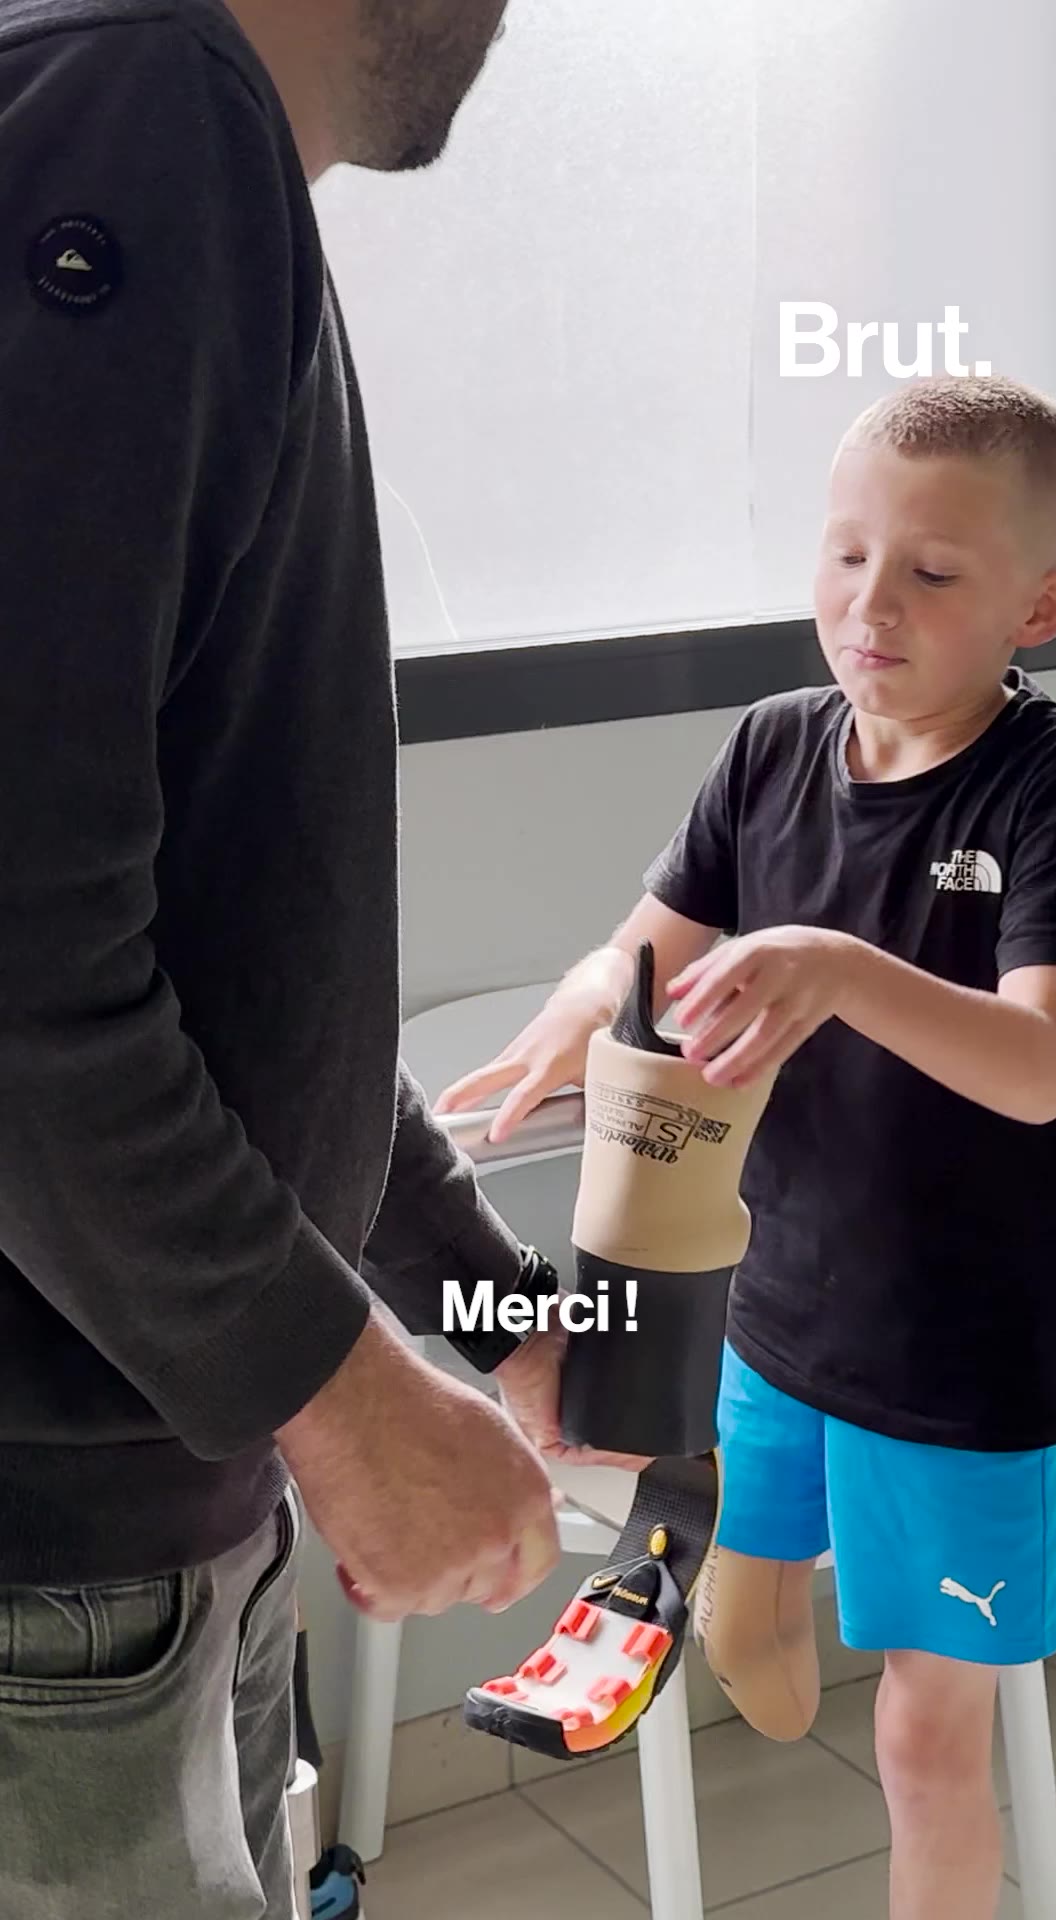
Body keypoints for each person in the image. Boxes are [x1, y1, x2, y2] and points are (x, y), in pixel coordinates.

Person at [0, 2, 629, 1914]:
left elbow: (245, 982)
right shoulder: (144, 111)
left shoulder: (166, 139)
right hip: (57, 1581)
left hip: (157, 1531)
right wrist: (346, 1393)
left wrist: (501, 1311)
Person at [437, 372, 1056, 1919]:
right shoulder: (773, 746)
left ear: (1041, 606)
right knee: (734, 1619)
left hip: (962, 1362)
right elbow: (641, 952)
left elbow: (1048, 1067)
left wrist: (843, 972)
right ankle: (761, 1615)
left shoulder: (1050, 789)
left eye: (932, 573)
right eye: (846, 554)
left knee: (926, 1738)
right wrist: (576, 1014)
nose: (872, 602)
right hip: (770, 1317)